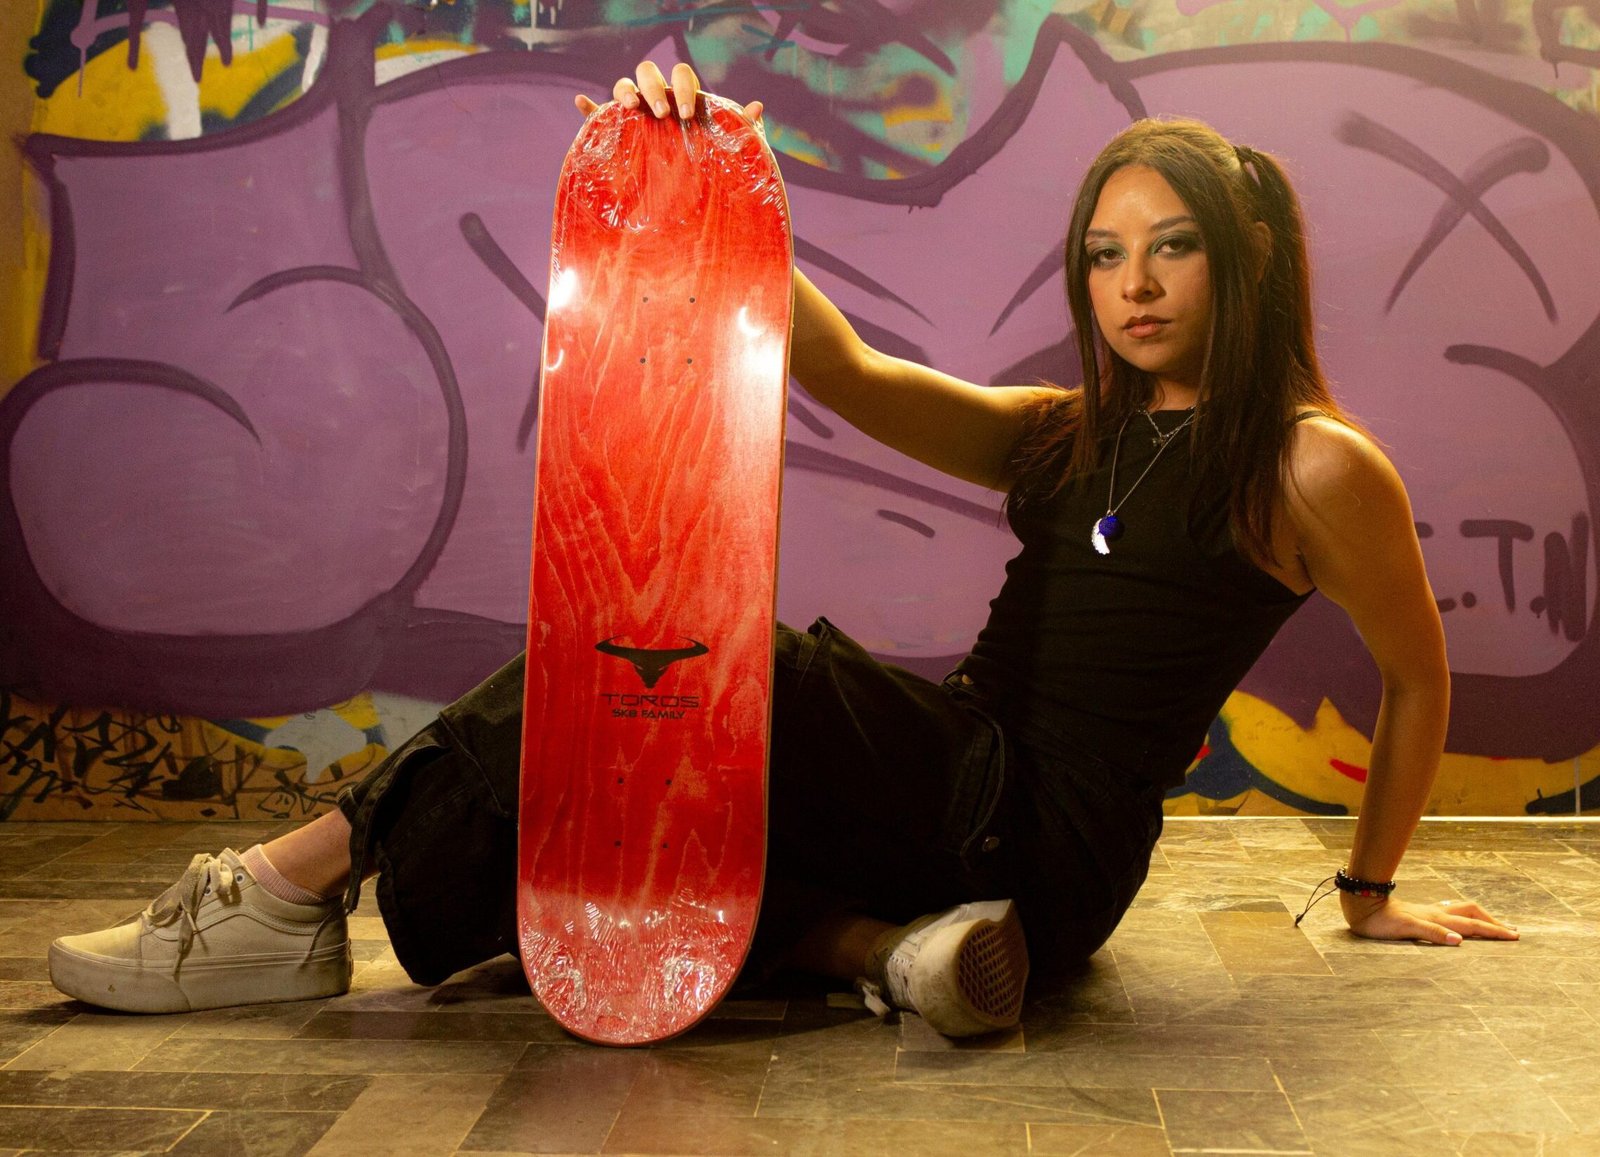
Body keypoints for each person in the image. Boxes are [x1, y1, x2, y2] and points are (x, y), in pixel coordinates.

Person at [48, 62, 1517, 1039]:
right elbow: (850, 372)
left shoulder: (1314, 463)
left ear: (1246, 255)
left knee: (698, 661)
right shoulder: (1076, 428)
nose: (1131, 282)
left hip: (1036, 828)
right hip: (963, 836)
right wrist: (708, 168)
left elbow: (1416, 679)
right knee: (626, 824)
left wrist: (1372, 892)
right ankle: (882, 951)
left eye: (1173, 244)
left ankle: (287, 891)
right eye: (1102, 251)